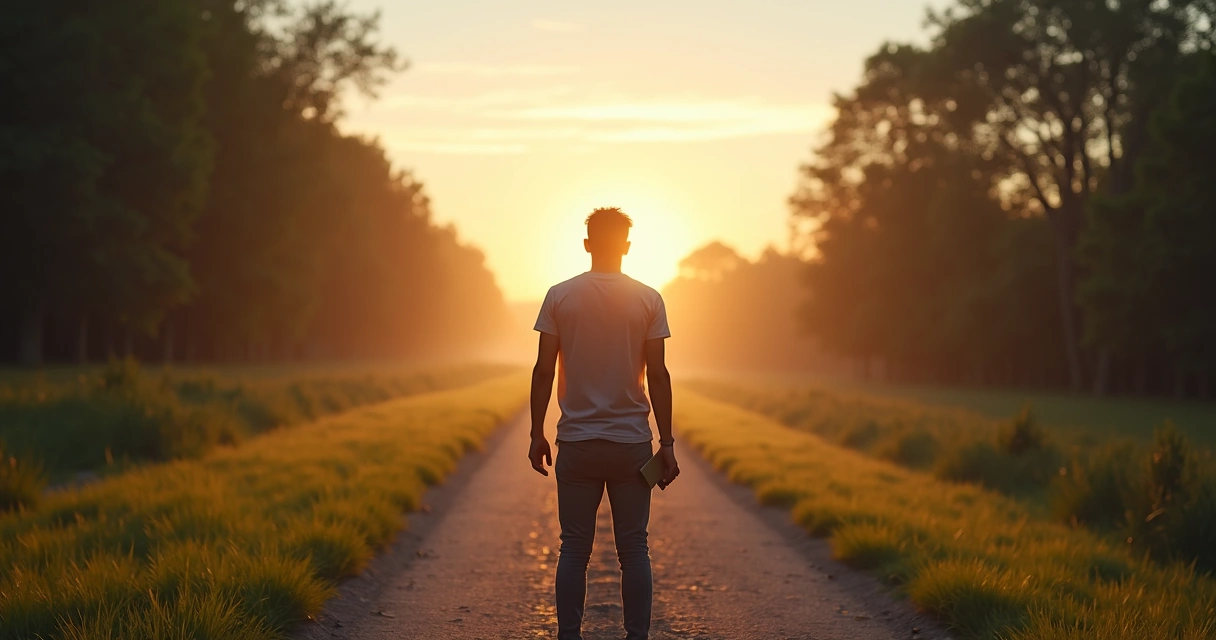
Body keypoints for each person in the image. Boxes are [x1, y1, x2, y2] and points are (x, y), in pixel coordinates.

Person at [529, 207, 679, 640]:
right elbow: (659, 375)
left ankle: (569, 635)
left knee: (574, 549)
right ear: (627, 247)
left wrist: (537, 431)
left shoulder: (559, 296)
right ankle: (637, 636)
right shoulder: (649, 299)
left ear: (588, 244)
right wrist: (665, 444)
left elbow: (543, 370)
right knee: (634, 550)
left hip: (576, 442)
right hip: (632, 444)